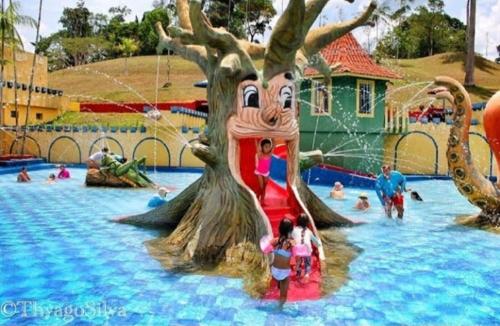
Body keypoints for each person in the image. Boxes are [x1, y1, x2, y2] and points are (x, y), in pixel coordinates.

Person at [270, 218, 295, 308]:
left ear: (279, 229)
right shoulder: (291, 242)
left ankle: (278, 283)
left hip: (274, 270)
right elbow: (298, 252)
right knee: (283, 296)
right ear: (290, 231)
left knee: (278, 280)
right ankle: (279, 308)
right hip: (284, 272)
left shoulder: (275, 240)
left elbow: (266, 248)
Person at [292, 214, 321, 281]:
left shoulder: (294, 230)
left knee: (298, 259)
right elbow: (316, 242)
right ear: (307, 223)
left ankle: (298, 273)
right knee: (307, 263)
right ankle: (306, 274)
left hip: (297, 250)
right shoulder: (309, 231)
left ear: (297, 221)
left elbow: (290, 237)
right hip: (306, 250)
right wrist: (318, 245)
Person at [255, 139, 274, 203]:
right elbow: (257, 146)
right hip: (259, 172)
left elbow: (273, 145)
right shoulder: (260, 154)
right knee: (261, 186)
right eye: (266, 147)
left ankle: (262, 199)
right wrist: (258, 140)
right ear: (262, 147)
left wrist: (272, 138)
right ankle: (257, 196)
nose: (267, 148)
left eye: (269, 147)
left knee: (265, 186)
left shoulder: (270, 155)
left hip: (266, 173)